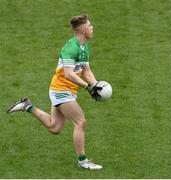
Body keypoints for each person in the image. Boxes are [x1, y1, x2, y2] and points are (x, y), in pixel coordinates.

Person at [7, 14, 103, 170]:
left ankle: (27, 106)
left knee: (55, 128)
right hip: (61, 90)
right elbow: (69, 74)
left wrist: (96, 85)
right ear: (83, 30)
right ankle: (83, 161)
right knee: (80, 122)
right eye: (90, 26)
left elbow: (86, 70)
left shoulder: (84, 47)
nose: (93, 28)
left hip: (68, 90)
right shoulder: (71, 48)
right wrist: (87, 87)